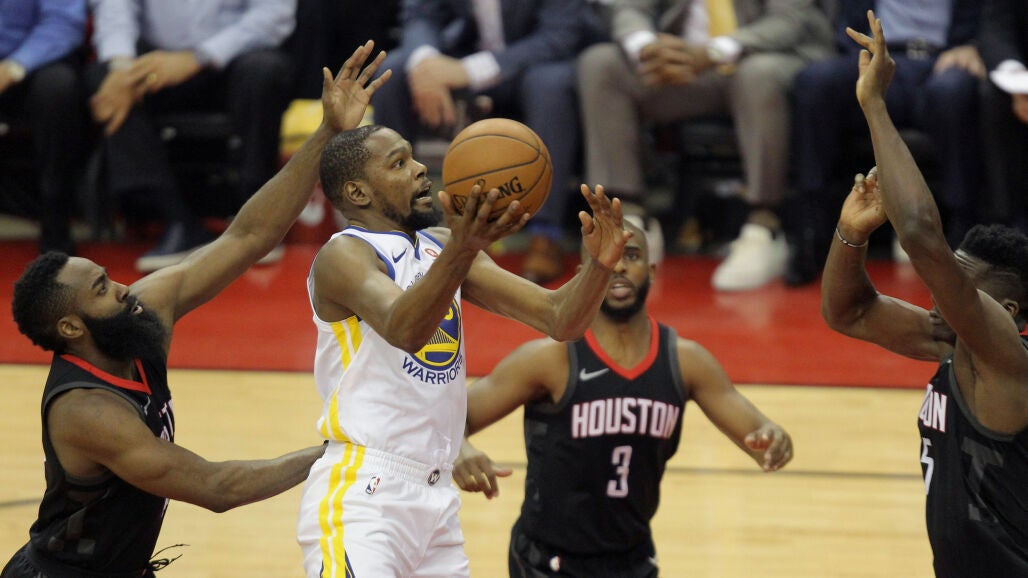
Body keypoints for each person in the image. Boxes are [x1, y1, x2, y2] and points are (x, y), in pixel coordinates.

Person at [2, 42, 391, 578]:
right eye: (100, 289)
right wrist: (334, 453)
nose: (122, 288)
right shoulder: (87, 411)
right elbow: (215, 487)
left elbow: (247, 237)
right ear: (70, 327)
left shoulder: (139, 317)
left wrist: (327, 133)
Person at [295, 125, 629, 574]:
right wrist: (464, 247)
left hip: (435, 501)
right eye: (398, 163)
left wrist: (599, 265)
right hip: (363, 494)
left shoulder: (441, 245)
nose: (420, 169)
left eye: (413, 157)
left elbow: (560, 319)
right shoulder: (345, 256)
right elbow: (404, 328)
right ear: (358, 192)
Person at [452, 219, 793, 577]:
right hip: (547, 562)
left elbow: (761, 438)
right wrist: (461, 450)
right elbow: (451, 422)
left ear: (652, 270)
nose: (618, 266)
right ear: (584, 274)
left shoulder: (686, 361)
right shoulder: (549, 359)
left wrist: (775, 440)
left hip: (632, 559)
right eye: (605, 257)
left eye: (630, 255)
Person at [821, 12, 1028, 576]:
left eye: (957, 285)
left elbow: (918, 234)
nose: (937, 297)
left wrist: (875, 106)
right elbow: (848, 312)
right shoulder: (950, 345)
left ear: (1009, 313)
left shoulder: (1006, 361)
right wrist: (851, 234)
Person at [578, 0, 833, 291]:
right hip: (684, 66)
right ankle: (631, 220)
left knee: (757, 75)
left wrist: (715, 51)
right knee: (601, 63)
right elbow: (628, 6)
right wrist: (647, 48)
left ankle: (765, 226)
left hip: (766, 57)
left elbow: (790, 20)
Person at [371, 0, 606, 284]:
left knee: (550, 85)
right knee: (395, 72)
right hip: (467, 49)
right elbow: (420, 14)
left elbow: (559, 35)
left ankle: (546, 234)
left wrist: (470, 70)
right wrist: (425, 65)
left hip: (537, 59)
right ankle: (396, 227)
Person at [86, 0, 298, 273]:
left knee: (265, 70)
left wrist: (198, 57)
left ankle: (258, 221)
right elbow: (116, 7)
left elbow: (273, 15)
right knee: (104, 80)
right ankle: (177, 221)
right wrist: (121, 69)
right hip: (157, 64)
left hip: (233, 56)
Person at [789, 0, 985, 286]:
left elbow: (994, 18)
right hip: (876, 55)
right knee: (815, 82)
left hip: (943, 59)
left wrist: (974, 45)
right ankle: (811, 228)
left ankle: (963, 232)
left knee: (952, 92)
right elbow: (849, 24)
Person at [0, 0, 88, 255]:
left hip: (29, 64)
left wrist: (13, 67)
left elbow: (63, 23)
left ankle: (56, 224)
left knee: (58, 86)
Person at [979, 0, 1028, 233]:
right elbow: (995, 27)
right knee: (993, 96)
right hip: (1022, 72)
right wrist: (1018, 82)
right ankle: (1010, 222)